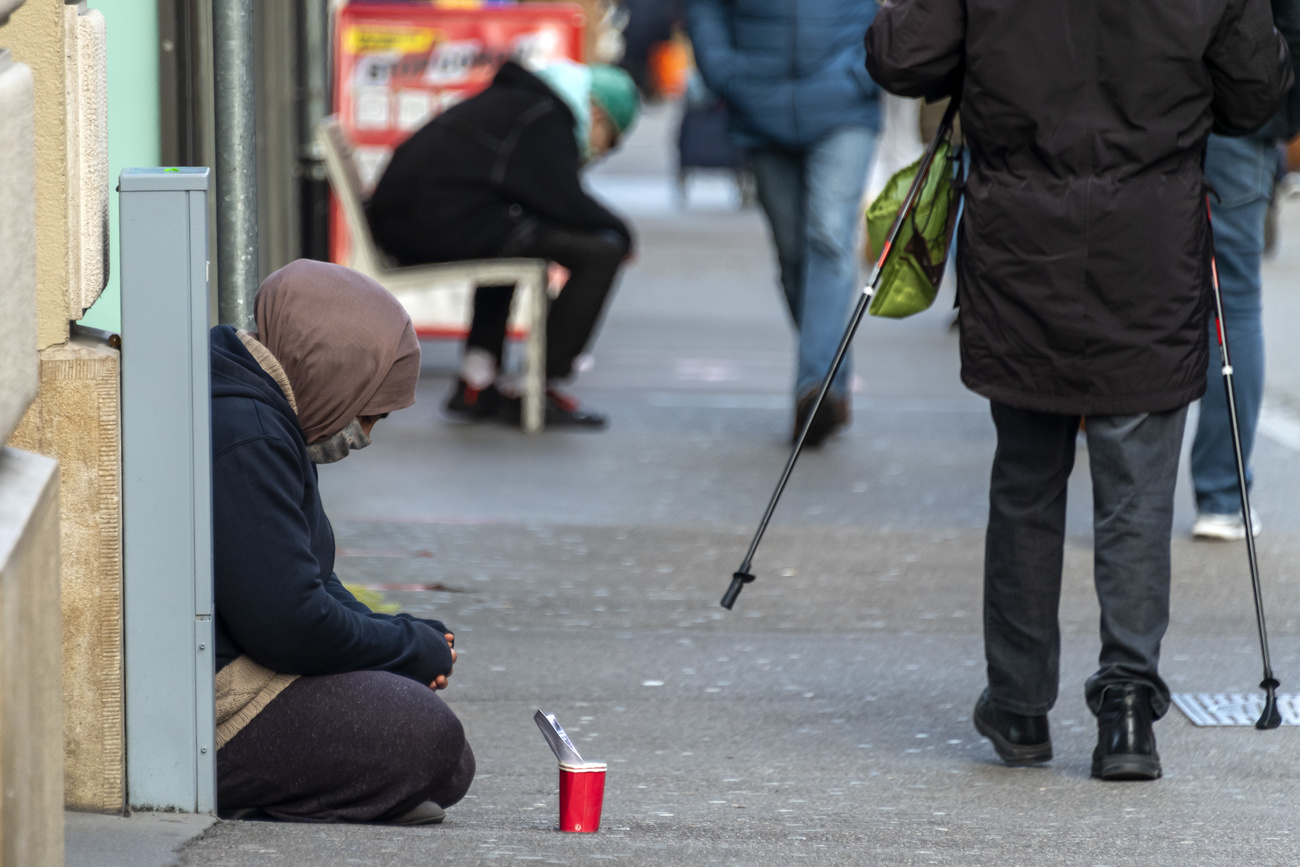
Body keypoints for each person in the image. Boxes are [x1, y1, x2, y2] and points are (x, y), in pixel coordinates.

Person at [866, 0, 1291, 780]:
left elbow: (900, 58)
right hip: (1151, 243)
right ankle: (1127, 712)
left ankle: (1020, 702)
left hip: (1022, 246)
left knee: (1027, 477)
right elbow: (1254, 94)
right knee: (1139, 490)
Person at [211, 259, 473, 823]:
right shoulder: (248, 435)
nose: (365, 436)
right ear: (336, 371)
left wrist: (403, 638)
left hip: (237, 674)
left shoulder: (259, 409)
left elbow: (313, 578)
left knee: (425, 737)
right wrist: (404, 647)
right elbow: (289, 624)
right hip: (215, 710)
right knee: (430, 743)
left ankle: (352, 785)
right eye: (369, 413)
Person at [367, 60, 640, 429]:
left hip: (414, 219)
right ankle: (536, 386)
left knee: (518, 237)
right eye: (609, 141)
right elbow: (564, 200)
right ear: (597, 112)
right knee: (600, 252)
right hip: (425, 225)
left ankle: (476, 379)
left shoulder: (526, 102)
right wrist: (621, 233)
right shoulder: (545, 116)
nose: (601, 153)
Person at [687, 0, 880, 447]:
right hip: (760, 107)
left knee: (829, 238)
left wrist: (864, 72)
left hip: (844, 105)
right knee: (794, 258)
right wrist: (725, 74)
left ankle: (814, 389)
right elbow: (705, 9)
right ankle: (832, 381)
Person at [1191, 0, 1300, 541]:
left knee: (1124, 275)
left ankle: (1099, 430)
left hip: (1148, 100)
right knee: (1232, 298)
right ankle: (1222, 494)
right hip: (1238, 109)